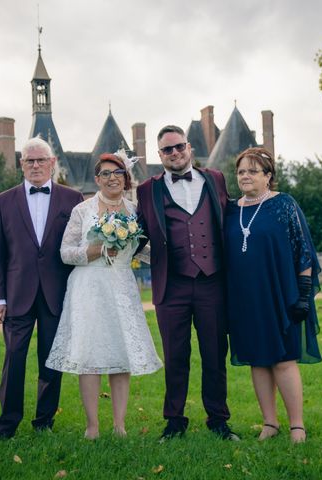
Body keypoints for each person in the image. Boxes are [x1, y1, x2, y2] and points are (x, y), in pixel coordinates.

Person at [46, 152, 162, 439]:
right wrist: (95, 251)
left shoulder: (136, 211)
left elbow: (143, 251)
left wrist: (166, 254)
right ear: (97, 179)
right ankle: (92, 426)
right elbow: (65, 252)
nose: (113, 178)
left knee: (120, 354)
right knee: (90, 356)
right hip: (88, 288)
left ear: (126, 177)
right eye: (106, 174)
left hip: (121, 286)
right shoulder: (82, 211)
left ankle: (119, 425)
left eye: (118, 173)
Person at [136, 125, 238, 441]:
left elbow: (231, 217)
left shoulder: (215, 178)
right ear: (160, 155)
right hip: (171, 286)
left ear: (189, 147)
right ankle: (175, 421)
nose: (175, 153)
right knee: (175, 356)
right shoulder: (146, 189)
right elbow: (138, 232)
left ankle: (218, 420)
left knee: (214, 354)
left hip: (212, 283)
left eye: (179, 146)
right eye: (168, 150)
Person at [224, 147, 322, 443]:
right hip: (244, 297)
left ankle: (297, 426)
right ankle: (270, 422)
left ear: (268, 176)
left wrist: (303, 294)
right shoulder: (230, 209)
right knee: (257, 359)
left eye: (253, 171)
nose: (245, 176)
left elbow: (302, 248)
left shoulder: (283, 205)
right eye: (241, 171)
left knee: (283, 359)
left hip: (280, 293)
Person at [0, 136, 84, 439]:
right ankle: (7, 424)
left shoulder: (72, 199)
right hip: (17, 296)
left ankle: (44, 422)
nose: (35, 165)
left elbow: (79, 248)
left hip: (57, 295)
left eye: (41, 159)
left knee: (51, 362)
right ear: (21, 165)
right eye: (29, 160)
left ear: (52, 163)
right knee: (14, 360)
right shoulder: (4, 201)